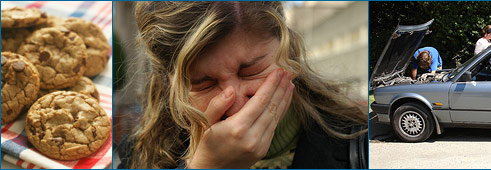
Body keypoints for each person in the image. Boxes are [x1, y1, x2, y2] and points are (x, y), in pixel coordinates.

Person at [117, 1, 368, 169]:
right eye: (204, 84)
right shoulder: (136, 156)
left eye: (250, 71)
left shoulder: (359, 146)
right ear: (169, 83)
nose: (236, 103)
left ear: (288, 50)